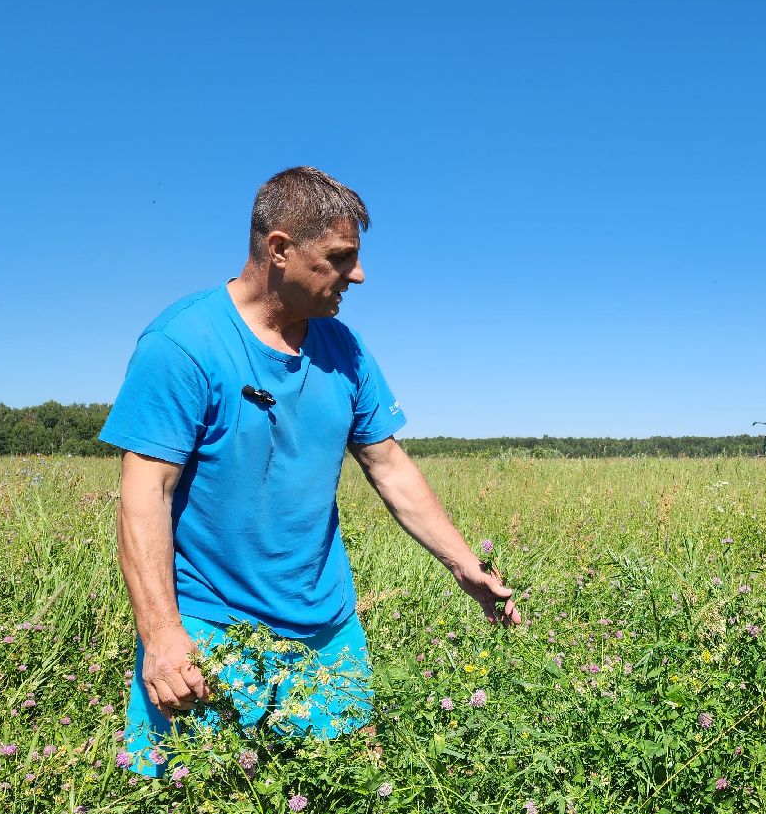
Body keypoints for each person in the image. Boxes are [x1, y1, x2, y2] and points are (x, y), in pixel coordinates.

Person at [99, 166, 518, 777]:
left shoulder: (342, 348)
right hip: (209, 627)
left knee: (354, 791)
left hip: (324, 622)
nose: (359, 275)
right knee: (187, 811)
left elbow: (390, 465)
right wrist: (162, 637)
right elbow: (145, 495)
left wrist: (464, 565)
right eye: (342, 257)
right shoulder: (182, 344)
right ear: (279, 249)